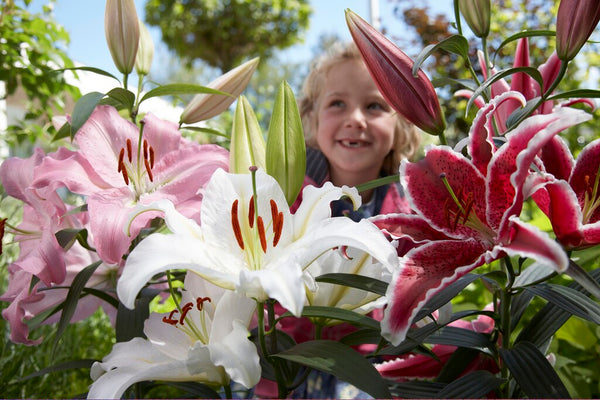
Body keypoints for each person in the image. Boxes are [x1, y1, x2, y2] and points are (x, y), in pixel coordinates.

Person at [294, 41, 421, 220]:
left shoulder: (414, 212)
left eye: (374, 106)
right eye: (337, 103)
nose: (355, 119)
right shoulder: (283, 200)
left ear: (401, 128)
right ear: (313, 120)